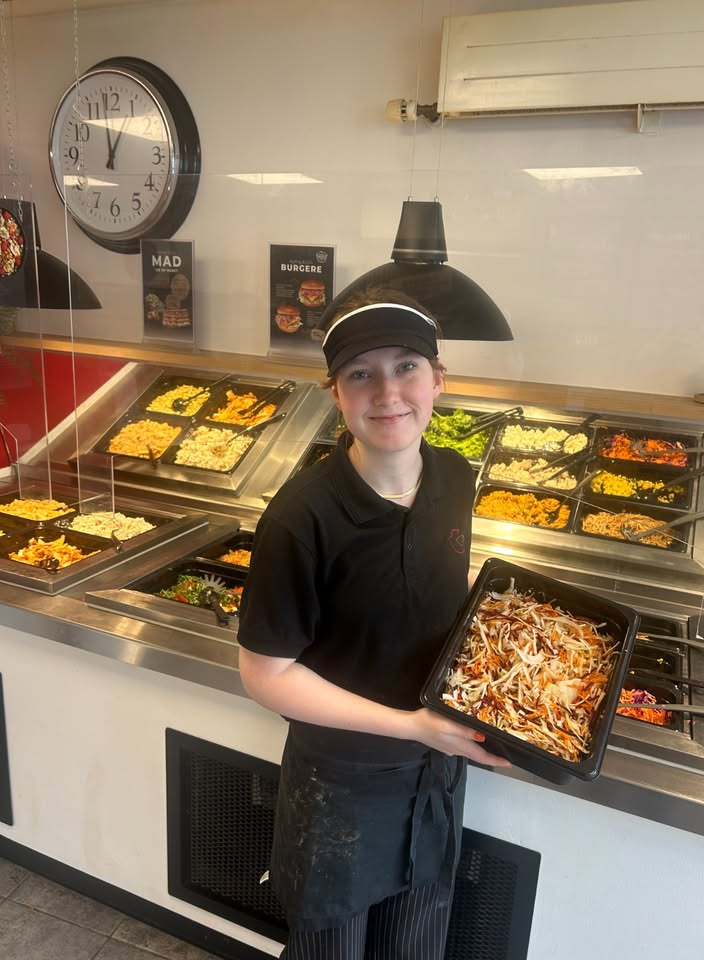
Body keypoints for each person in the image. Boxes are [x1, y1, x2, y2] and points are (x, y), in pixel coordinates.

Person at [237, 289, 510, 960]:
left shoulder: (454, 476)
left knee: (415, 943)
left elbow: (436, 581)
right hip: (340, 785)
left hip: (436, 766)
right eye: (361, 373)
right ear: (336, 393)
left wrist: (495, 623)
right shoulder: (301, 518)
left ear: (438, 380)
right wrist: (411, 725)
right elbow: (265, 675)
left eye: (406, 367)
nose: (388, 393)